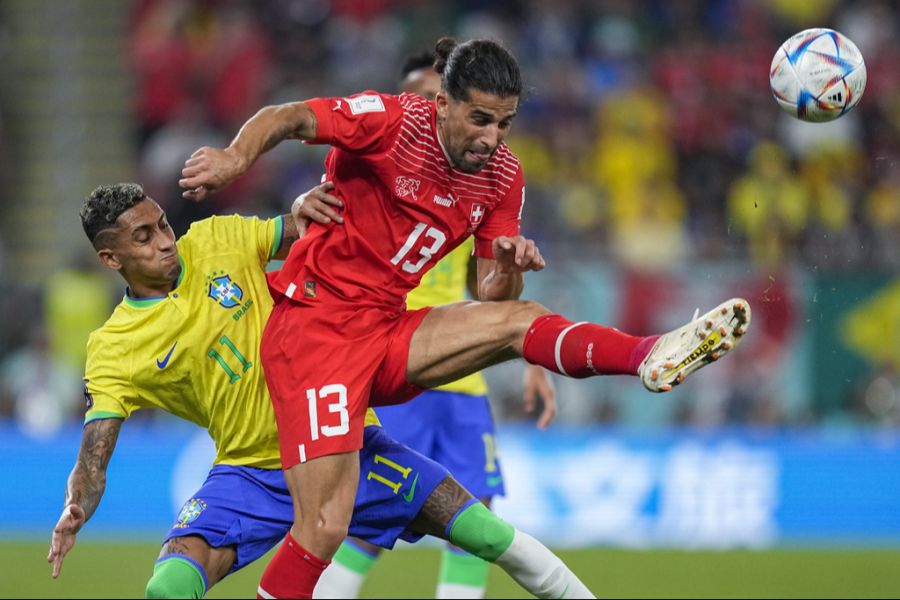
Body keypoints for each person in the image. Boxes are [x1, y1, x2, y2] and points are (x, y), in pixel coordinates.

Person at [179, 37, 751, 599]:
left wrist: (508, 264)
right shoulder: (392, 122)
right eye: (480, 119)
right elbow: (290, 115)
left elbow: (490, 291)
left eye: (504, 123)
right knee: (326, 527)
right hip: (314, 334)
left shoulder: (503, 176)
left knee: (520, 319)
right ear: (444, 103)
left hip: (386, 327)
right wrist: (235, 157)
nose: (491, 138)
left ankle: (646, 356)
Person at [47, 183, 594, 599]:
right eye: (144, 238)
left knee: (486, 533)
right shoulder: (114, 347)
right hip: (249, 470)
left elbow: (307, 229)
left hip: (339, 441)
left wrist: (315, 203)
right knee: (166, 586)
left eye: (162, 224)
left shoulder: (215, 239)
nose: (165, 242)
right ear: (110, 260)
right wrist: (75, 508)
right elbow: (95, 452)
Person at [313, 51, 557, 600]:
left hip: (460, 378)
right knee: (374, 520)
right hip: (399, 363)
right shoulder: (378, 162)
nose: (423, 111)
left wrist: (531, 357)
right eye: (418, 99)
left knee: (477, 518)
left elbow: (485, 289)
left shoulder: (475, 184)